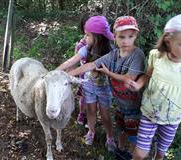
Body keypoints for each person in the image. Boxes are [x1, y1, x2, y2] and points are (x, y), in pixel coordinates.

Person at [68, 16, 146, 155]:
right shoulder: (113, 53)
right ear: (115, 37)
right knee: (120, 126)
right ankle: (117, 148)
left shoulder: (137, 55)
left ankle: (116, 142)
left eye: (129, 36)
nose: (125, 41)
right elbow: (91, 64)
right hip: (120, 102)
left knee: (133, 135)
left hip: (134, 105)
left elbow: (128, 78)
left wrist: (108, 73)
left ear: (135, 36)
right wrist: (69, 74)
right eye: (121, 37)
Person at [126, 14, 181, 160]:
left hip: (172, 118)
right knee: (139, 153)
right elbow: (147, 75)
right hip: (150, 113)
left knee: (161, 152)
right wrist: (138, 85)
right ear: (168, 41)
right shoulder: (156, 56)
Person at [57, 16, 116, 150]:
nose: (85, 38)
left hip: (104, 88)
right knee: (90, 110)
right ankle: (91, 131)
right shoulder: (86, 48)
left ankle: (110, 136)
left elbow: (88, 66)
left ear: (98, 37)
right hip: (88, 85)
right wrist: (55, 73)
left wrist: (65, 75)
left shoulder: (111, 52)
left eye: (88, 35)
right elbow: (71, 61)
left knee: (105, 114)